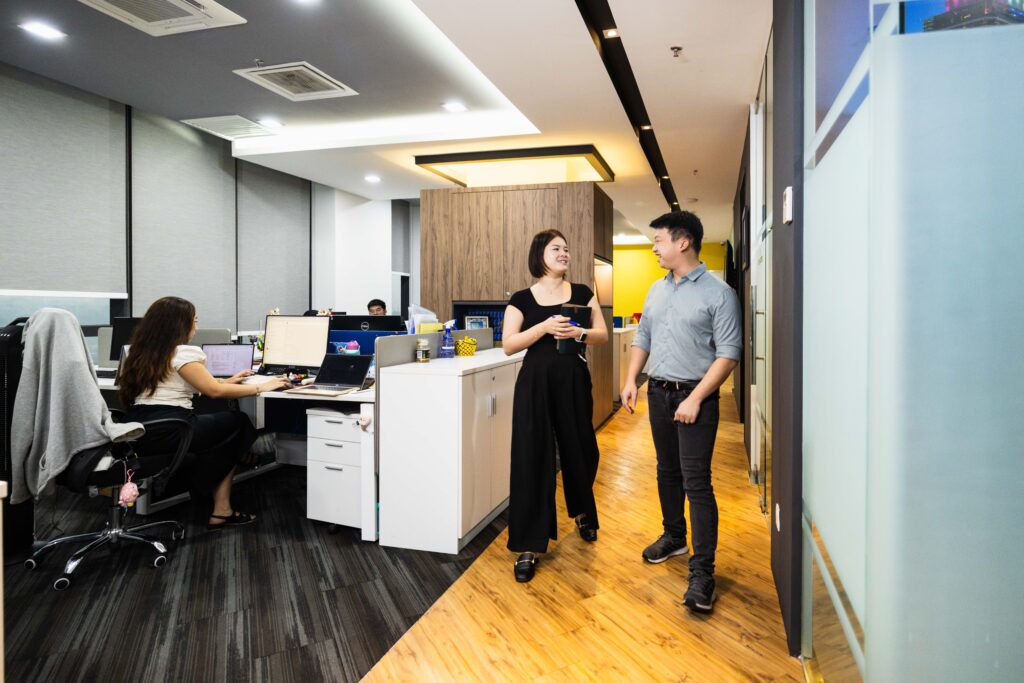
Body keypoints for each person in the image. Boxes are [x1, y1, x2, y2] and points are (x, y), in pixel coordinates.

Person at [620, 211, 741, 614]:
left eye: (659, 240)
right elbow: (643, 336)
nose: (654, 247)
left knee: (697, 483)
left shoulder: (719, 294)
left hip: (696, 398)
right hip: (658, 393)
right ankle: (674, 536)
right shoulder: (657, 289)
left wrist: (696, 398)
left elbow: (729, 354)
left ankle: (703, 573)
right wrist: (631, 379)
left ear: (683, 242)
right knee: (666, 471)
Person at [117, 296, 293, 529]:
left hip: (139, 430)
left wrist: (230, 380)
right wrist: (263, 386)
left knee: (226, 437)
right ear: (180, 325)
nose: (196, 326)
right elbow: (214, 392)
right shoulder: (182, 353)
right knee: (238, 423)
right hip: (173, 429)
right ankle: (227, 497)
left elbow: (190, 383)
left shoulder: (140, 353)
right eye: (195, 320)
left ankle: (223, 496)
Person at [502, 229, 608, 582]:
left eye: (566, 248)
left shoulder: (582, 293)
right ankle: (528, 545)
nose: (564, 253)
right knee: (532, 457)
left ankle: (582, 512)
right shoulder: (521, 299)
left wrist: (578, 333)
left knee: (582, 450)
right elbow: (509, 345)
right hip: (534, 383)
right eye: (556, 248)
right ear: (540, 255)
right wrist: (544, 328)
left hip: (573, 381)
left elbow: (602, 335)